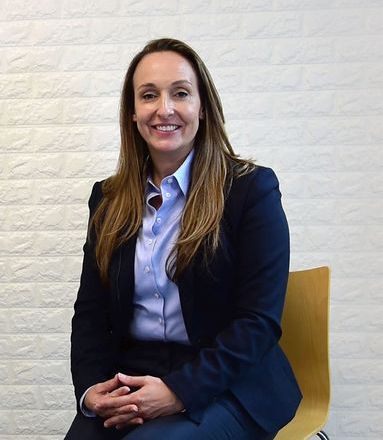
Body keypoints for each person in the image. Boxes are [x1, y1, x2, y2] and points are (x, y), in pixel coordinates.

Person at [66, 38, 301, 439]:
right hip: (136, 377)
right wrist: (91, 392)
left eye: (180, 93)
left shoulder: (250, 190)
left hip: (230, 382)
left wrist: (179, 391)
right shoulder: (108, 199)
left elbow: (257, 322)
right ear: (133, 113)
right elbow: (91, 312)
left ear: (202, 107)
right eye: (149, 95)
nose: (165, 109)